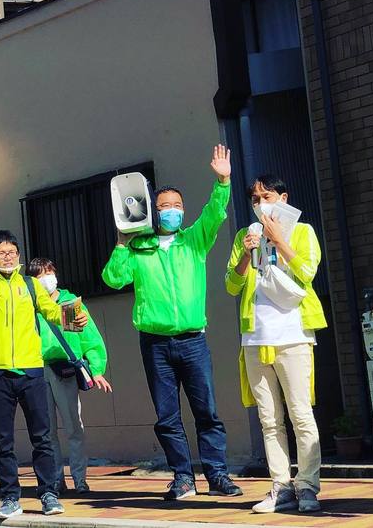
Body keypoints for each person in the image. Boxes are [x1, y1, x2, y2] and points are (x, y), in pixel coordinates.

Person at [102, 146, 243, 501]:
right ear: (153, 211)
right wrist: (122, 243)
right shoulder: (139, 249)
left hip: (193, 341)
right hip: (155, 344)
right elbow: (113, 279)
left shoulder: (194, 241)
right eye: (164, 206)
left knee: (206, 411)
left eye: (177, 206)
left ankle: (217, 475)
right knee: (167, 416)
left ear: (183, 210)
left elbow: (215, 213)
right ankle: (182, 478)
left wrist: (223, 181)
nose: (171, 211)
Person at [0, 223, 88, 519]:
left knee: (42, 437)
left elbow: (51, 311)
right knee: (3, 441)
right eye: (1, 253)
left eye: (12, 252)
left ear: (19, 255)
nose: (8, 257)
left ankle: (48, 493)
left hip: (31, 371)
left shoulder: (31, 285)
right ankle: (10, 497)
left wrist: (73, 317)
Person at [226, 173, 327, 515]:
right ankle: (281, 486)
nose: (260, 204)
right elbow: (231, 285)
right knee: (269, 420)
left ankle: (308, 486)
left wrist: (279, 240)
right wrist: (246, 254)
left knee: (301, 415)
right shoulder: (245, 235)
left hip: (293, 335)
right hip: (256, 338)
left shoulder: (303, 231)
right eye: (255, 199)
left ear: (283, 198)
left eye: (266, 196)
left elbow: (307, 272)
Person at [27, 257, 112, 495]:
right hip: (37, 370)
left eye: (49, 272)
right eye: (39, 275)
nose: (46, 279)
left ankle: (80, 479)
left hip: (64, 369)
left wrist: (97, 369)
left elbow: (89, 339)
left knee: (74, 426)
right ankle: (55, 480)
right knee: (47, 432)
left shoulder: (70, 303)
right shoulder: (29, 306)